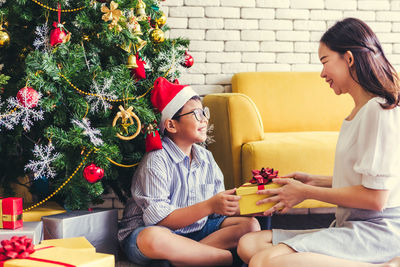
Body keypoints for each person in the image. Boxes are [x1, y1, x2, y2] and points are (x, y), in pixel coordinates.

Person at [237, 17, 400, 267]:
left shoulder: (378, 110)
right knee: (248, 244)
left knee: (264, 261)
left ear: (349, 58)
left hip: (379, 231)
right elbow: (367, 181)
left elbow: (376, 198)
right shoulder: (361, 111)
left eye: (325, 62)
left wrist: (306, 193)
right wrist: (314, 180)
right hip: (353, 224)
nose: (322, 73)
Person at [118, 77, 260, 267]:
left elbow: (216, 214)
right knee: (154, 237)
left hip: (195, 232)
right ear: (171, 125)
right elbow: (159, 221)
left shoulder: (206, 157)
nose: (205, 119)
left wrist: (246, 204)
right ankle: (222, 259)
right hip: (152, 234)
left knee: (250, 226)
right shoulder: (156, 160)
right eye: (196, 114)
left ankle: (186, 258)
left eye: (204, 112)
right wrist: (210, 206)